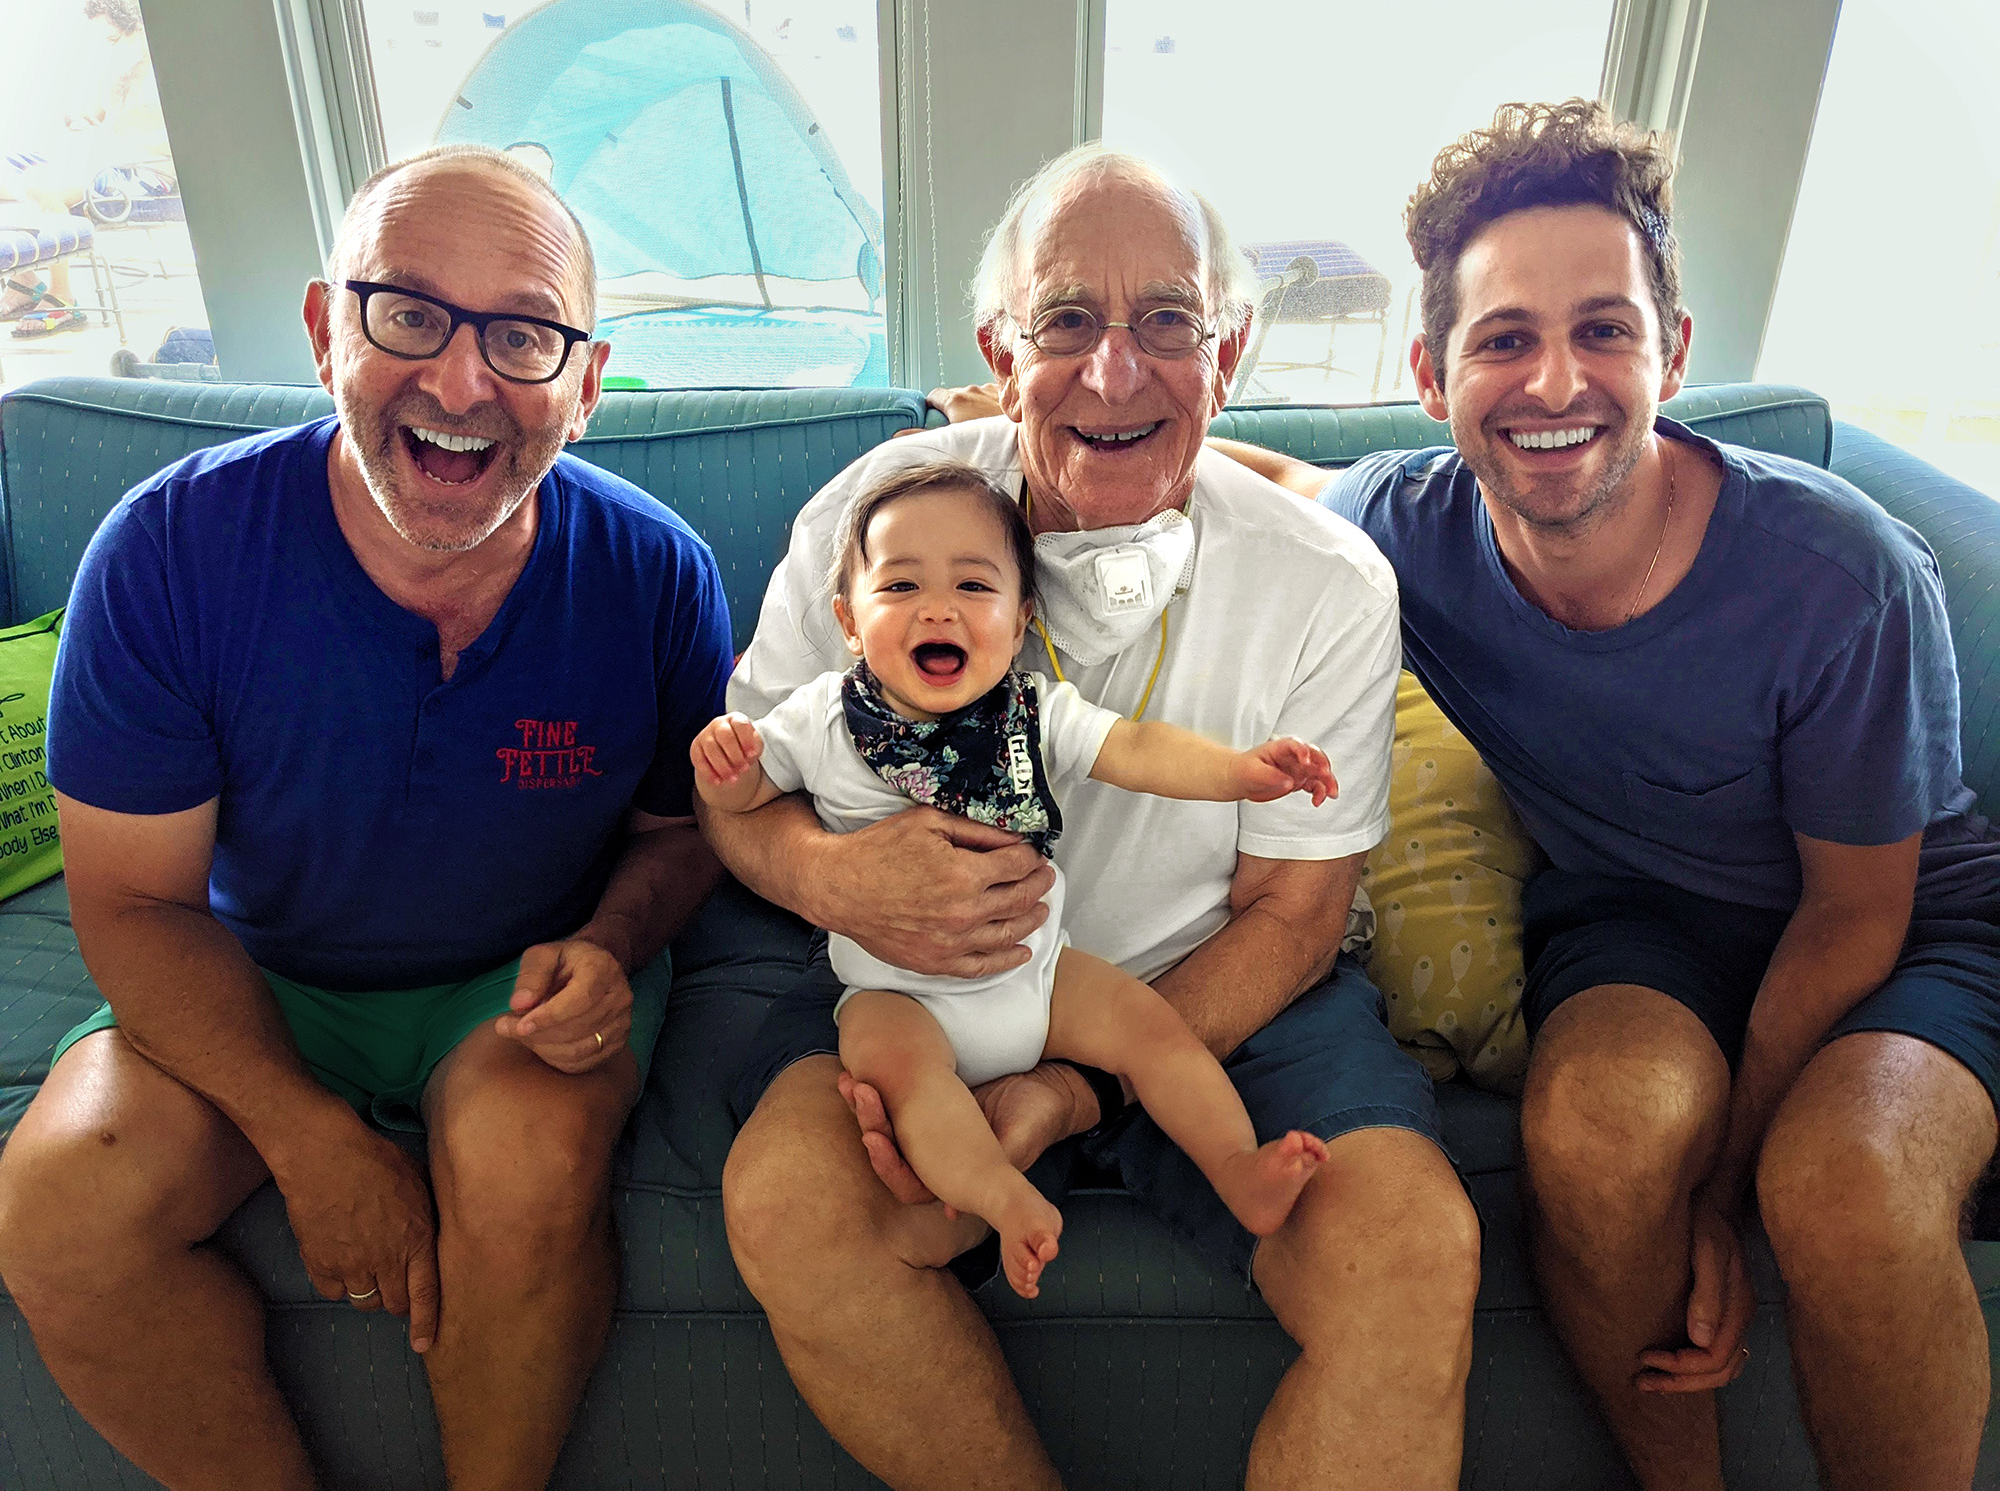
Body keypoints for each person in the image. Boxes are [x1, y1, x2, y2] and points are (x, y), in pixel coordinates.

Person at [1207, 98, 1996, 1491]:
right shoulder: (1402, 528)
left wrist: (1719, 1187)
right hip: (1640, 920)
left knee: (1846, 1186)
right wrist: (1020, 435)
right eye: (1504, 339)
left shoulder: (1841, 577)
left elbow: (1852, 917)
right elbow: (1285, 486)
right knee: (1594, 1134)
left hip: (1901, 927)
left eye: (1603, 330)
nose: (1555, 382)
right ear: (1433, 375)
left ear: (1671, 352)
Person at [714, 143, 1481, 1491]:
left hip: (1227, 993)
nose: (1114, 374)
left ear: (1227, 354)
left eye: (1166, 322)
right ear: (997, 352)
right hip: (925, 986)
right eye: (1065, 320)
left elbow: (1295, 916)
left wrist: (1068, 1090)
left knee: (1408, 1255)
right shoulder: (877, 524)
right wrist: (836, 881)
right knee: (792, 1204)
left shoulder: (1328, 581)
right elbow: (738, 801)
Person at [0, 145, 734, 1490]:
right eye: (407, 313)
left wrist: (610, 947)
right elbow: (135, 904)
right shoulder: (166, 553)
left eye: (523, 336)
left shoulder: (656, 574)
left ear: (586, 386)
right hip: (253, 974)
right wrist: (307, 1138)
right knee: (58, 1207)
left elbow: (679, 835)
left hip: (516, 979)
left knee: (529, 1165)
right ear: (324, 328)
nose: (459, 383)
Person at [695, 460, 1338, 1298]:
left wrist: (1242, 773)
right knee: (908, 1087)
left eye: (973, 585)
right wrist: (727, 768)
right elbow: (747, 796)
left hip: (1039, 975)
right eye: (900, 586)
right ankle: (1003, 1201)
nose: (938, 609)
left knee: (1155, 1033)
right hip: (897, 995)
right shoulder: (822, 718)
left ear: (1021, 617)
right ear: (849, 620)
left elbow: (1138, 750)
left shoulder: (1033, 712)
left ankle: (1238, 1169)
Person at [0, 0, 171, 338]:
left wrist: (118, 138)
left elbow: (179, 140)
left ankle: (62, 295)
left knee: (45, 190)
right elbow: (99, 115)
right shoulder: (119, 70)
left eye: (113, 39)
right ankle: (24, 278)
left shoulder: (164, 71)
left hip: (144, 169)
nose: (109, 48)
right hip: (103, 158)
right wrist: (80, 120)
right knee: (14, 176)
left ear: (139, 27)